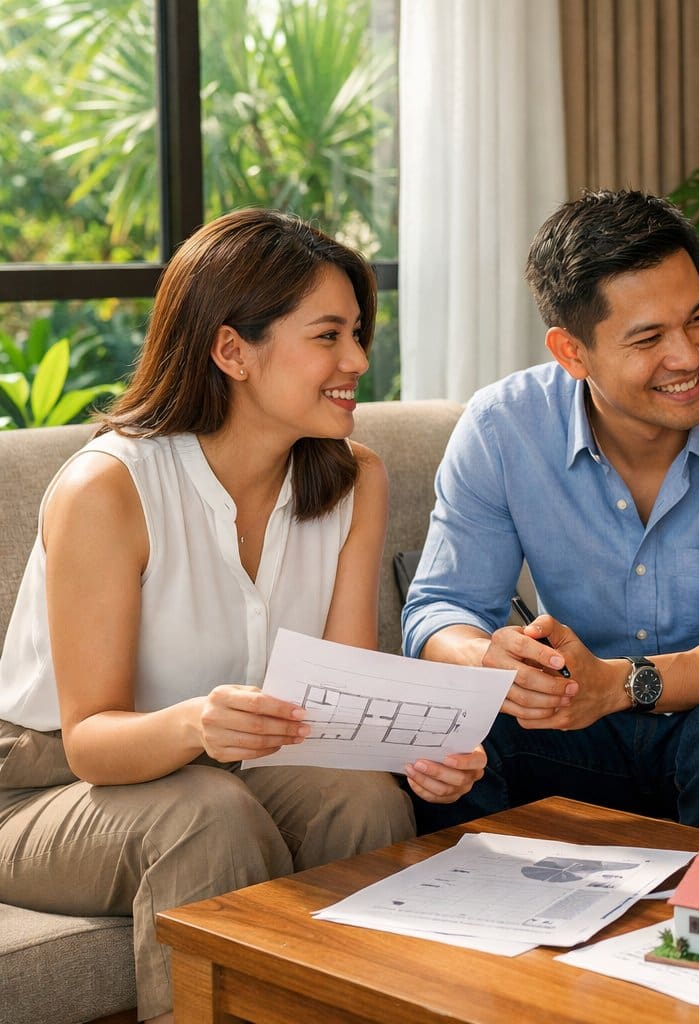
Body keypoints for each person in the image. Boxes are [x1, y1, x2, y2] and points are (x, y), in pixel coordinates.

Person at [0, 209, 484, 1024]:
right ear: (232, 352)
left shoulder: (353, 479)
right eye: (327, 336)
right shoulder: (109, 490)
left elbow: (340, 709)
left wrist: (415, 753)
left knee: (363, 799)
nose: (358, 360)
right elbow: (89, 739)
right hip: (52, 785)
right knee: (205, 818)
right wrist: (196, 724)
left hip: (242, 758)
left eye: (357, 333)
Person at [403, 190, 699, 838]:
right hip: (575, 729)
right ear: (571, 353)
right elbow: (439, 608)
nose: (688, 355)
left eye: (698, 318)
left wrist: (623, 684)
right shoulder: (504, 425)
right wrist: (491, 664)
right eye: (648, 338)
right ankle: (481, 929)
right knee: (457, 714)